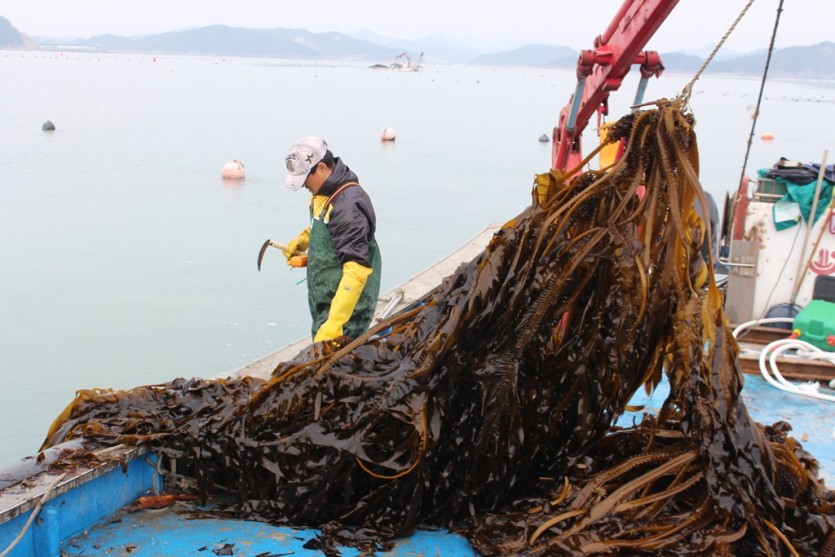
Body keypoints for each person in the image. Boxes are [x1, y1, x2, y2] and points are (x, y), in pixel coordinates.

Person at [282, 137, 382, 342]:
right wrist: (304, 240)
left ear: (321, 168)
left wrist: (335, 325)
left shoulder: (347, 205)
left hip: (347, 309)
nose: (303, 186)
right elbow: (326, 226)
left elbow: (357, 271)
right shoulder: (322, 192)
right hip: (325, 301)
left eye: (304, 179)